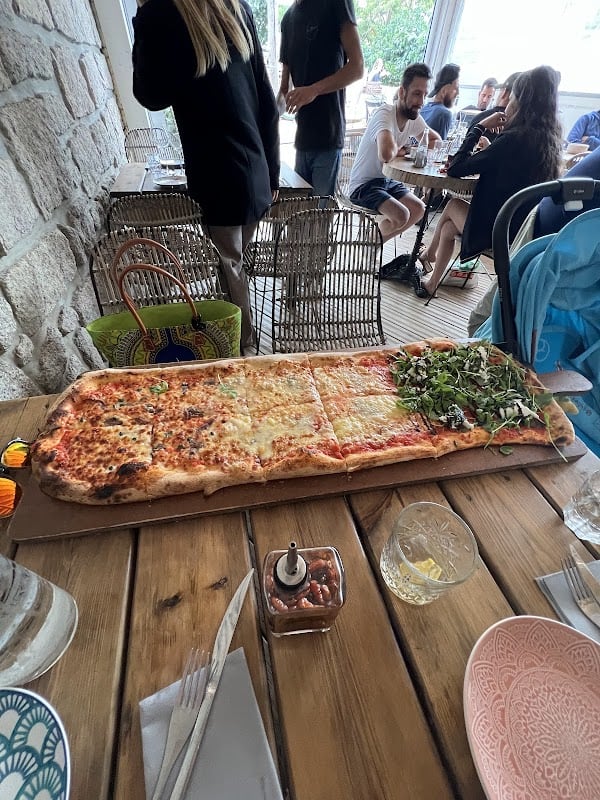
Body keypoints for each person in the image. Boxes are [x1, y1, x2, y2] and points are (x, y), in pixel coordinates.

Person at [132, 0, 279, 354]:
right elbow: (267, 100)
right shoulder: (235, 7)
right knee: (234, 266)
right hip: (255, 167)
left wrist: (143, 16)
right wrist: (272, 175)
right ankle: (240, 348)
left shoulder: (161, 13)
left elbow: (150, 95)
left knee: (231, 269)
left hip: (219, 173)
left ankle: (242, 356)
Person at [418, 66, 562, 298]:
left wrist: (479, 127)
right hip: (527, 232)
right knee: (447, 227)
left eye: (512, 95)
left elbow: (456, 168)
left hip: (501, 233)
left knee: (453, 205)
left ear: (520, 101)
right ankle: (431, 282)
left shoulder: (512, 140)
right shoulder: (550, 142)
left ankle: (427, 256)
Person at [279, 0, 364, 197]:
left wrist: (314, 90)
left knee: (320, 217)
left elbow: (357, 67)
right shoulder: (288, 19)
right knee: (298, 217)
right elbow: (284, 91)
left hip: (328, 133)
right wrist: (266, 118)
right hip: (302, 138)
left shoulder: (336, 4)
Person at [348, 63, 440, 244]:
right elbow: (386, 154)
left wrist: (406, 150)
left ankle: (370, 243)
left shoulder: (414, 118)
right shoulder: (385, 113)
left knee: (419, 209)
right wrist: (406, 149)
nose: (421, 102)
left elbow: (435, 141)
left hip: (386, 181)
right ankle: (369, 245)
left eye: (424, 95)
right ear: (402, 92)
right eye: (416, 93)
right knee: (402, 214)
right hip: (363, 185)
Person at [465, 72, 521, 144]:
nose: (485, 100)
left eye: (490, 96)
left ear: (504, 92)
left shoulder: (482, 119)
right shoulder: (522, 130)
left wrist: (480, 127)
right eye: (483, 95)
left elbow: (463, 153)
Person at [419, 63, 460, 140]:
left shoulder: (424, 108)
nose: (458, 93)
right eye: (456, 88)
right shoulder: (444, 114)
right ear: (445, 89)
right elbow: (439, 149)